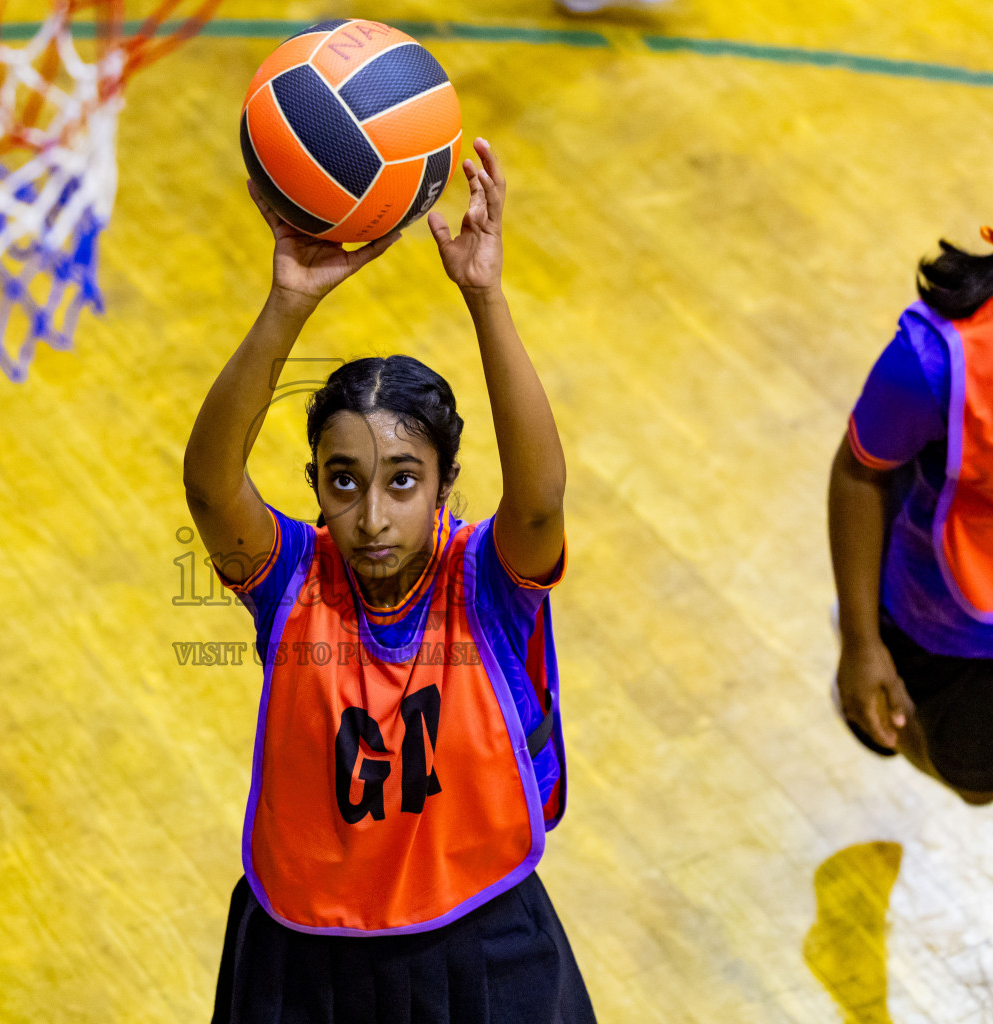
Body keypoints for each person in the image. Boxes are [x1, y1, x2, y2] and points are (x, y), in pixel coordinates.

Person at [186, 138, 596, 1023]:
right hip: (302, 953)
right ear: (317, 488)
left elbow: (541, 500)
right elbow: (211, 487)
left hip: (479, 938)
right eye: (345, 481)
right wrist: (288, 301)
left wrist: (485, 295)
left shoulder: (485, 581)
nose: (372, 514)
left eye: (402, 480)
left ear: (447, 485)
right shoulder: (292, 581)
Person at [830, 102, 993, 865]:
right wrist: (859, 643)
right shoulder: (942, 354)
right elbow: (858, 471)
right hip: (965, 625)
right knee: (976, 783)